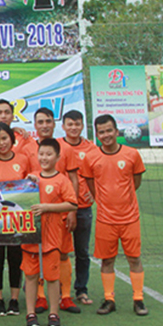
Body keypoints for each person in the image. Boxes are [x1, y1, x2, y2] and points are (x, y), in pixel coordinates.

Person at [80, 114, 148, 316]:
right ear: (97, 135)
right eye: (101, 132)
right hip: (105, 220)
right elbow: (92, 185)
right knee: (107, 261)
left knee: (134, 258)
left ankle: (138, 299)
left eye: (109, 130)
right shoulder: (91, 157)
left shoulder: (132, 154)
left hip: (130, 218)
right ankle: (109, 299)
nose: (106, 135)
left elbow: (136, 182)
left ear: (116, 131)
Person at [22, 138, 78, 326]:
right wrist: (27, 184)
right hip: (31, 238)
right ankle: (31, 314)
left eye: (48, 154)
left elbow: (72, 203)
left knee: (52, 278)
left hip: (52, 238)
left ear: (57, 157)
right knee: (30, 277)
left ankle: (54, 313)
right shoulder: (31, 178)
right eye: (41, 154)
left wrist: (48, 208)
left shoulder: (62, 180)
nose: (44, 158)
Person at [0, 123, 30, 316]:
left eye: (4, 138)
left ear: (11, 138)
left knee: (16, 259)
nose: (1, 143)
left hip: (17, 221)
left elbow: (31, 188)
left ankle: (15, 299)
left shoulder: (24, 160)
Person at [59, 110, 96, 306]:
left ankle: (81, 289)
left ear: (83, 126)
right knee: (59, 251)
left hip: (83, 206)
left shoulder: (91, 148)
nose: (74, 128)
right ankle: (60, 291)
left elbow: (99, 171)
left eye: (77, 124)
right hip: (61, 207)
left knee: (82, 250)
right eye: (70, 124)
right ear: (63, 126)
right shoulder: (57, 146)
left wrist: (95, 191)